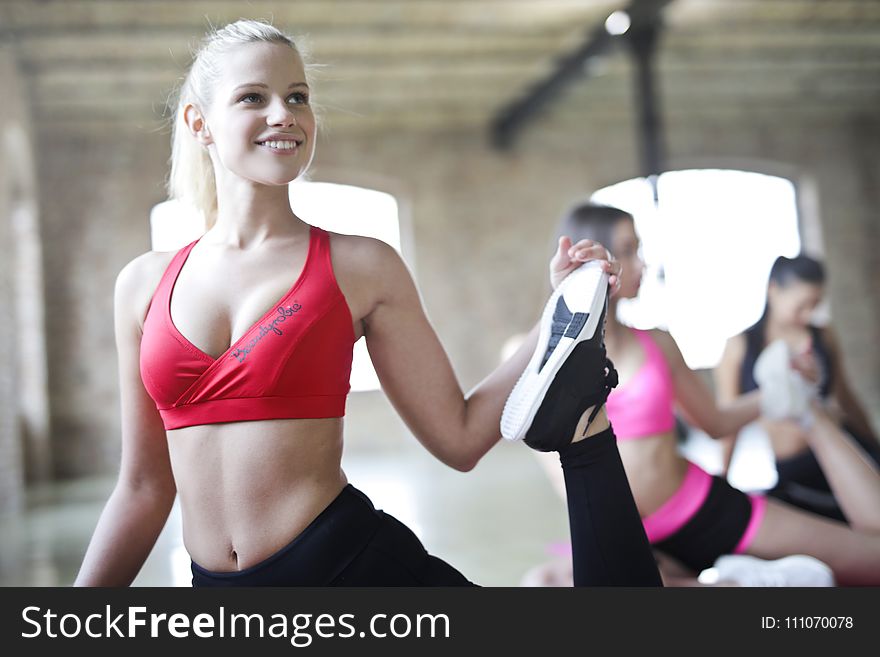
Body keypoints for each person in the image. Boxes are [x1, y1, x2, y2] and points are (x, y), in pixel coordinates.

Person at [73, 20, 662, 587]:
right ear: (199, 122)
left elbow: (458, 439)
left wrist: (551, 322)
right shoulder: (143, 284)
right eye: (254, 97)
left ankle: (590, 443)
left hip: (353, 574)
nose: (284, 114)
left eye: (297, 97)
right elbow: (145, 488)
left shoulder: (360, 266)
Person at [525, 202, 880, 586]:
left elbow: (715, 422)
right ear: (590, 254)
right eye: (627, 251)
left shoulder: (658, 343)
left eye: (638, 249)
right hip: (623, 531)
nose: (641, 264)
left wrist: (779, 392)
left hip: (702, 511)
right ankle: (736, 583)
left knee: (873, 562)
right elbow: (559, 473)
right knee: (541, 583)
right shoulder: (534, 353)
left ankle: (728, 580)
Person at [716, 255, 880, 520]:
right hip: (796, 471)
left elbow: (846, 397)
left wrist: (873, 442)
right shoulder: (741, 347)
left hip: (842, 449)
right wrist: (723, 478)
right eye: (801, 305)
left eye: (814, 305)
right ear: (774, 290)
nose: (807, 314)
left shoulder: (822, 335)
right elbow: (728, 422)